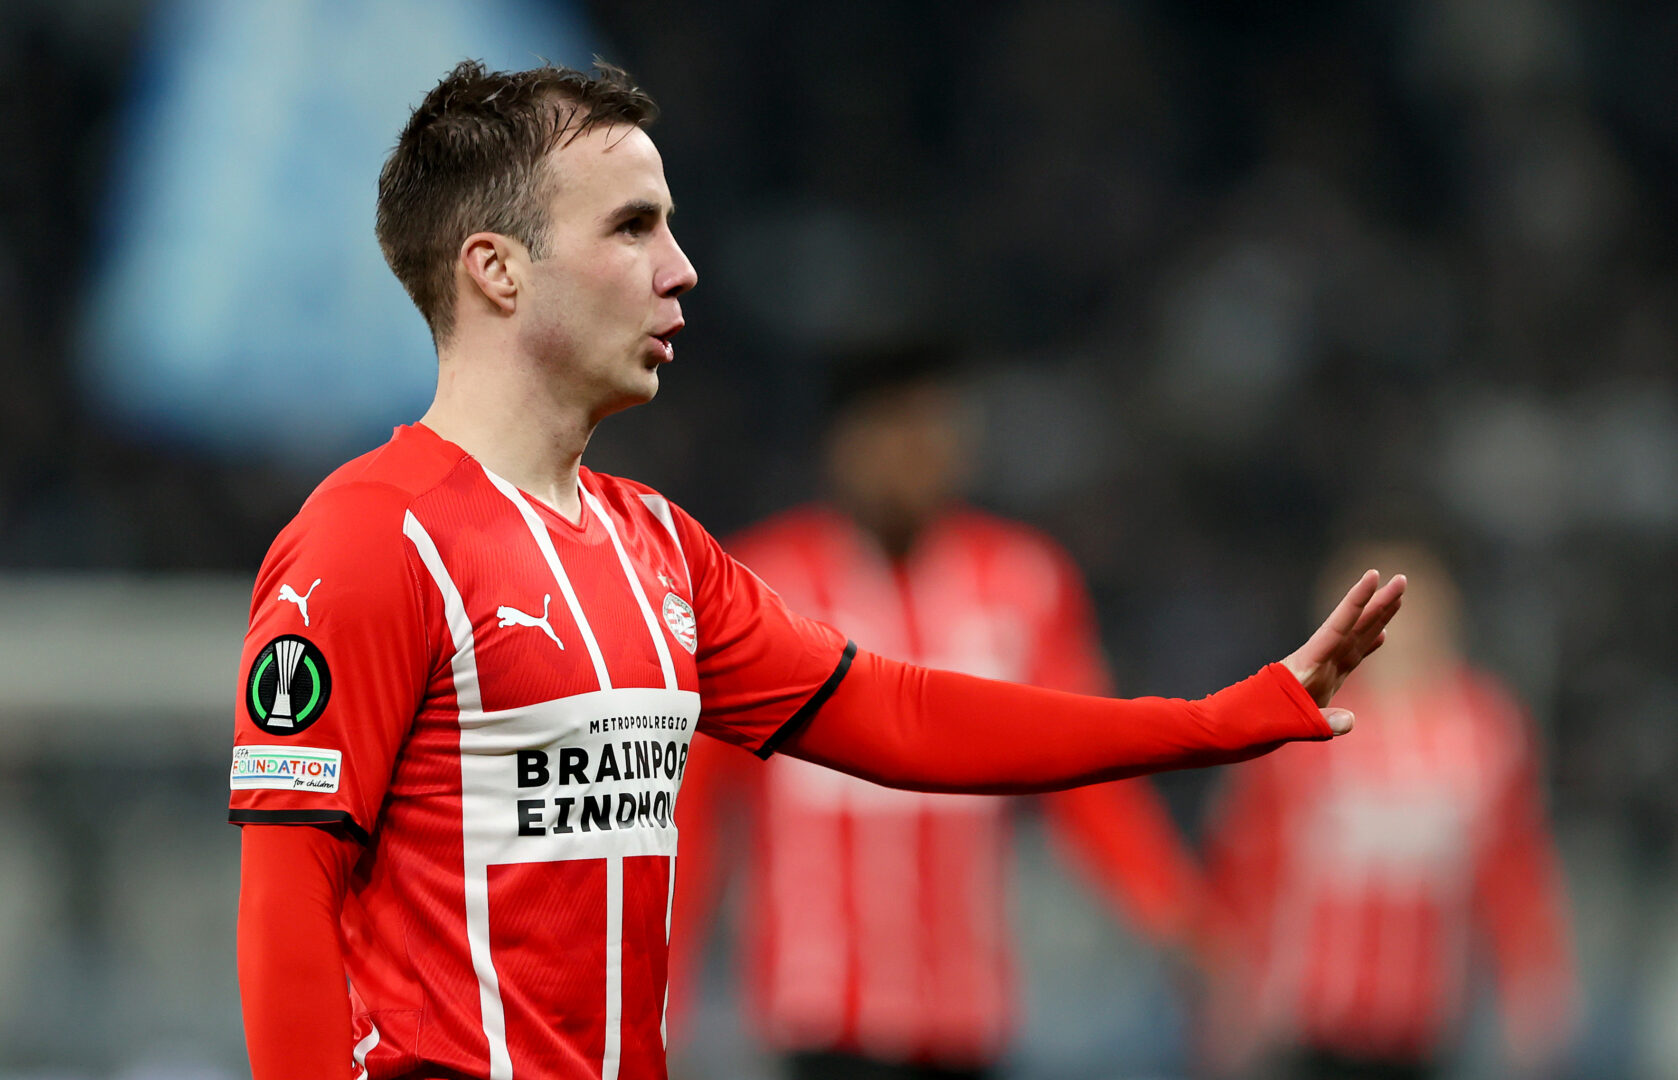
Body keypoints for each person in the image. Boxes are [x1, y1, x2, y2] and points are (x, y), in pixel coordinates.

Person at [228, 60, 1405, 1080]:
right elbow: (287, 906)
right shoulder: (368, 543)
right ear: (496, 270)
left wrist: (1225, 718)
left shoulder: (660, 550)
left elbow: (902, 716)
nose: (680, 269)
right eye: (632, 228)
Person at [671, 346, 1208, 1079]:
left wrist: (1176, 914)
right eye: (890, 430)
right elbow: (694, 803)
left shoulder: (1022, 585)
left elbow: (1089, 776)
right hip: (820, 1011)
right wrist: (664, 987)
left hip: (968, 1013)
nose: (912, 455)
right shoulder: (757, 587)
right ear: (842, 445)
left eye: (930, 429)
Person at [1201, 539, 1573, 1080]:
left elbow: (1513, 868)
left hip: (1425, 1024)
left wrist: (1534, 981)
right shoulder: (1295, 722)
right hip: (1304, 1021)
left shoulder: (1488, 727)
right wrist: (1226, 987)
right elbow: (1248, 859)